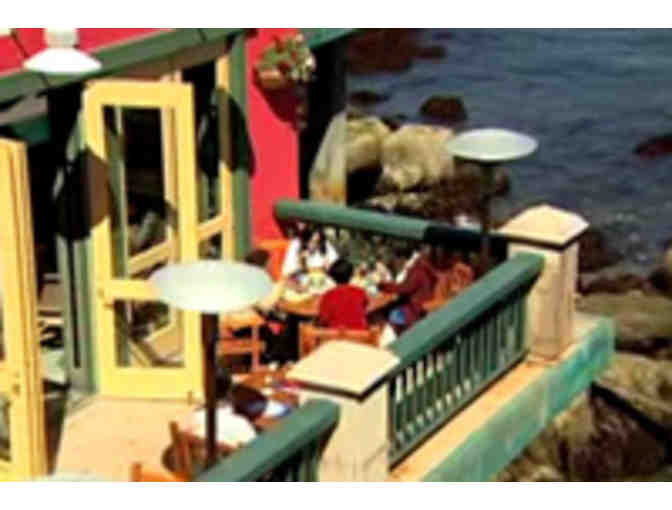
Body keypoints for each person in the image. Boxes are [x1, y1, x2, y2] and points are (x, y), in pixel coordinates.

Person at [379, 244, 437, 333]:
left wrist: (384, 286)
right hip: (417, 307)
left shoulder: (419, 270)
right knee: (390, 310)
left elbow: (406, 288)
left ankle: (395, 337)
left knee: (391, 314)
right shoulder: (424, 270)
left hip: (414, 309)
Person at [318, 258, 369, 330]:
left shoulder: (327, 296)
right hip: (359, 334)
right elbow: (365, 309)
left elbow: (323, 320)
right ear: (351, 275)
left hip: (334, 335)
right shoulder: (360, 292)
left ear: (332, 277)